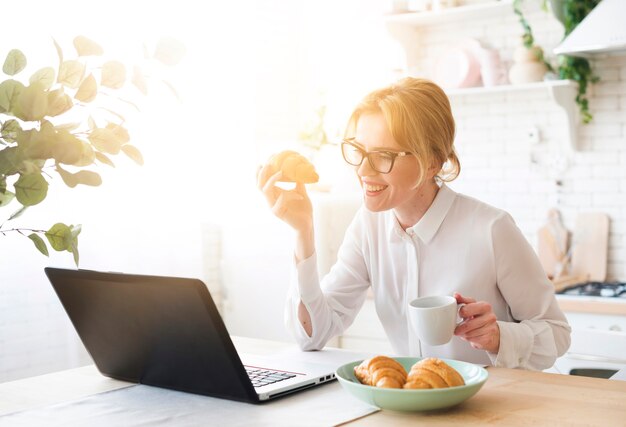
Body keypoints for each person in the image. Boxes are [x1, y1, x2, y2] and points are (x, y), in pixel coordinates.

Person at [257, 77, 570, 370]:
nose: (363, 169)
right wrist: (303, 233)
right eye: (359, 151)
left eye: (382, 155)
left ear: (431, 161)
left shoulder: (492, 229)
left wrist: (500, 337)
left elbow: (557, 334)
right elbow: (312, 334)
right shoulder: (369, 226)